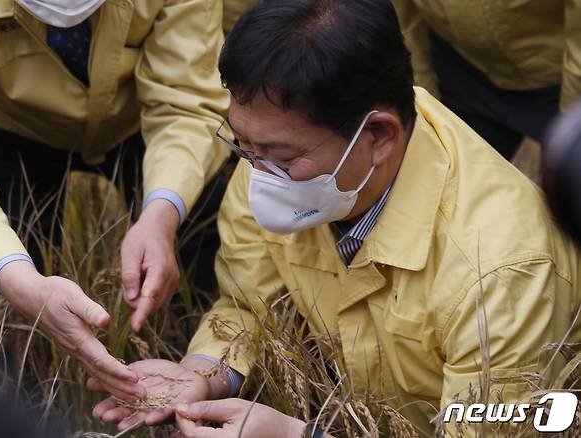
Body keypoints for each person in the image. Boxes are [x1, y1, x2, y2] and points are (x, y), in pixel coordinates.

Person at [91, 0, 581, 436]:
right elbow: (246, 306)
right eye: (242, 145)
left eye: (280, 155)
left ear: (380, 135)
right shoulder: (270, 155)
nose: (258, 173)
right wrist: (204, 372)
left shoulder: (502, 269)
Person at [0, 0, 229, 398]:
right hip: (13, 127)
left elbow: (188, 100)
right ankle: (30, 409)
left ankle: (207, 382)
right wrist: (17, 276)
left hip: (141, 119)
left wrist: (163, 212)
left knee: (206, 253)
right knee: (13, 308)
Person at [389, 0, 581, 160]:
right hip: (463, 71)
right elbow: (403, 23)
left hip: (558, 78)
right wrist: (425, 110)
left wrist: (571, 127)